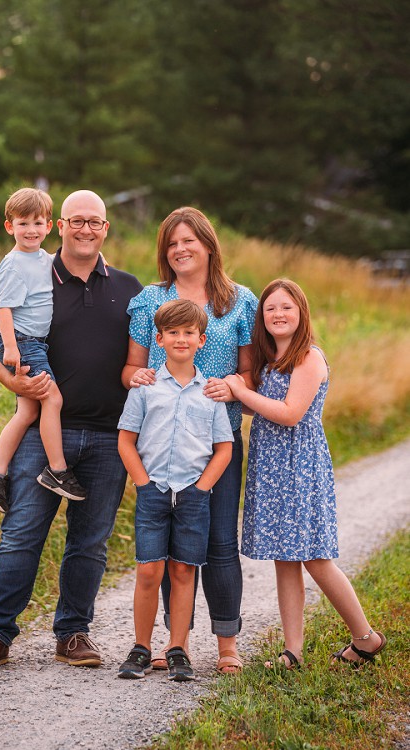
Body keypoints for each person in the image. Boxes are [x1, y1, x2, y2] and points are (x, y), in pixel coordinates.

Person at [0, 190, 143, 671]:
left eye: (95, 222)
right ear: (60, 225)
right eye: (77, 221)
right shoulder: (36, 271)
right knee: (21, 533)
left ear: (106, 229)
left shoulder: (129, 289)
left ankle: (73, 634)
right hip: (46, 433)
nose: (86, 229)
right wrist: (12, 378)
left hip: (109, 435)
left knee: (90, 542)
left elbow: (147, 358)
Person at [222, 278, 387, 669]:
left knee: (315, 556)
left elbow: (291, 412)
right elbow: (264, 405)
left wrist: (242, 393)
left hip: (299, 467)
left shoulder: (309, 358)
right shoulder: (269, 360)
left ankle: (365, 637)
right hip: (272, 466)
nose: (278, 314)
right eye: (270, 309)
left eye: (286, 307)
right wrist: (231, 392)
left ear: (301, 312)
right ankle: (292, 651)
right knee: (285, 557)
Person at [122, 207, 258, 674]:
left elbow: (250, 370)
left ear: (208, 244)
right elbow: (132, 368)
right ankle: (173, 644)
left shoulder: (239, 301)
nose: (180, 249)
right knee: (170, 550)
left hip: (216, 441)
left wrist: (233, 387)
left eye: (188, 241)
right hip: (163, 447)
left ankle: (227, 644)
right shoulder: (149, 300)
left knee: (219, 541)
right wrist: (137, 375)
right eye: (171, 243)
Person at [117, 300, 234, 682]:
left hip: (192, 494)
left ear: (201, 340)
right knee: (150, 571)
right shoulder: (145, 387)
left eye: (188, 333)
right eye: (173, 333)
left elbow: (224, 449)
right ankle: (140, 648)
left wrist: (201, 490)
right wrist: (143, 483)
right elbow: (126, 441)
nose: (180, 339)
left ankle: (178, 648)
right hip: (153, 491)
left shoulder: (211, 393)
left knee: (184, 570)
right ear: (159, 339)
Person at [0, 187, 85, 513]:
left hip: (33, 342)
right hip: (21, 342)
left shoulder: (41, 257)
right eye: (23, 224)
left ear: (49, 226)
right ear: (10, 227)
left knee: (28, 411)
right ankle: (57, 470)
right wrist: (9, 347)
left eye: (38, 223)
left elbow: (57, 260)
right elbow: (4, 308)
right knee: (53, 398)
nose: (31, 230)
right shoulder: (12, 264)